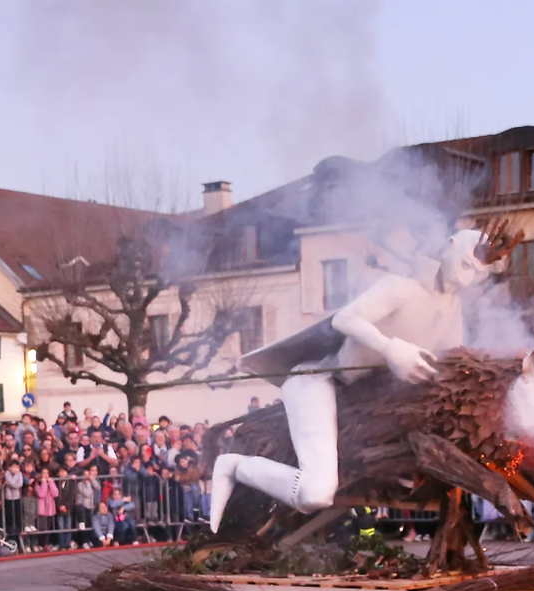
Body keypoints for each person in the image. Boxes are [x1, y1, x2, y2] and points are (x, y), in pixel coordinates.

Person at [210, 228, 496, 532]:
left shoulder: (452, 307)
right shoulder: (400, 288)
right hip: (320, 381)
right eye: (466, 265)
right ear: (448, 247)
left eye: (478, 274)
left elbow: (449, 360)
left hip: (366, 401)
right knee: (316, 493)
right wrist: (391, 348)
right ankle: (234, 466)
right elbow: (344, 319)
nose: (467, 279)